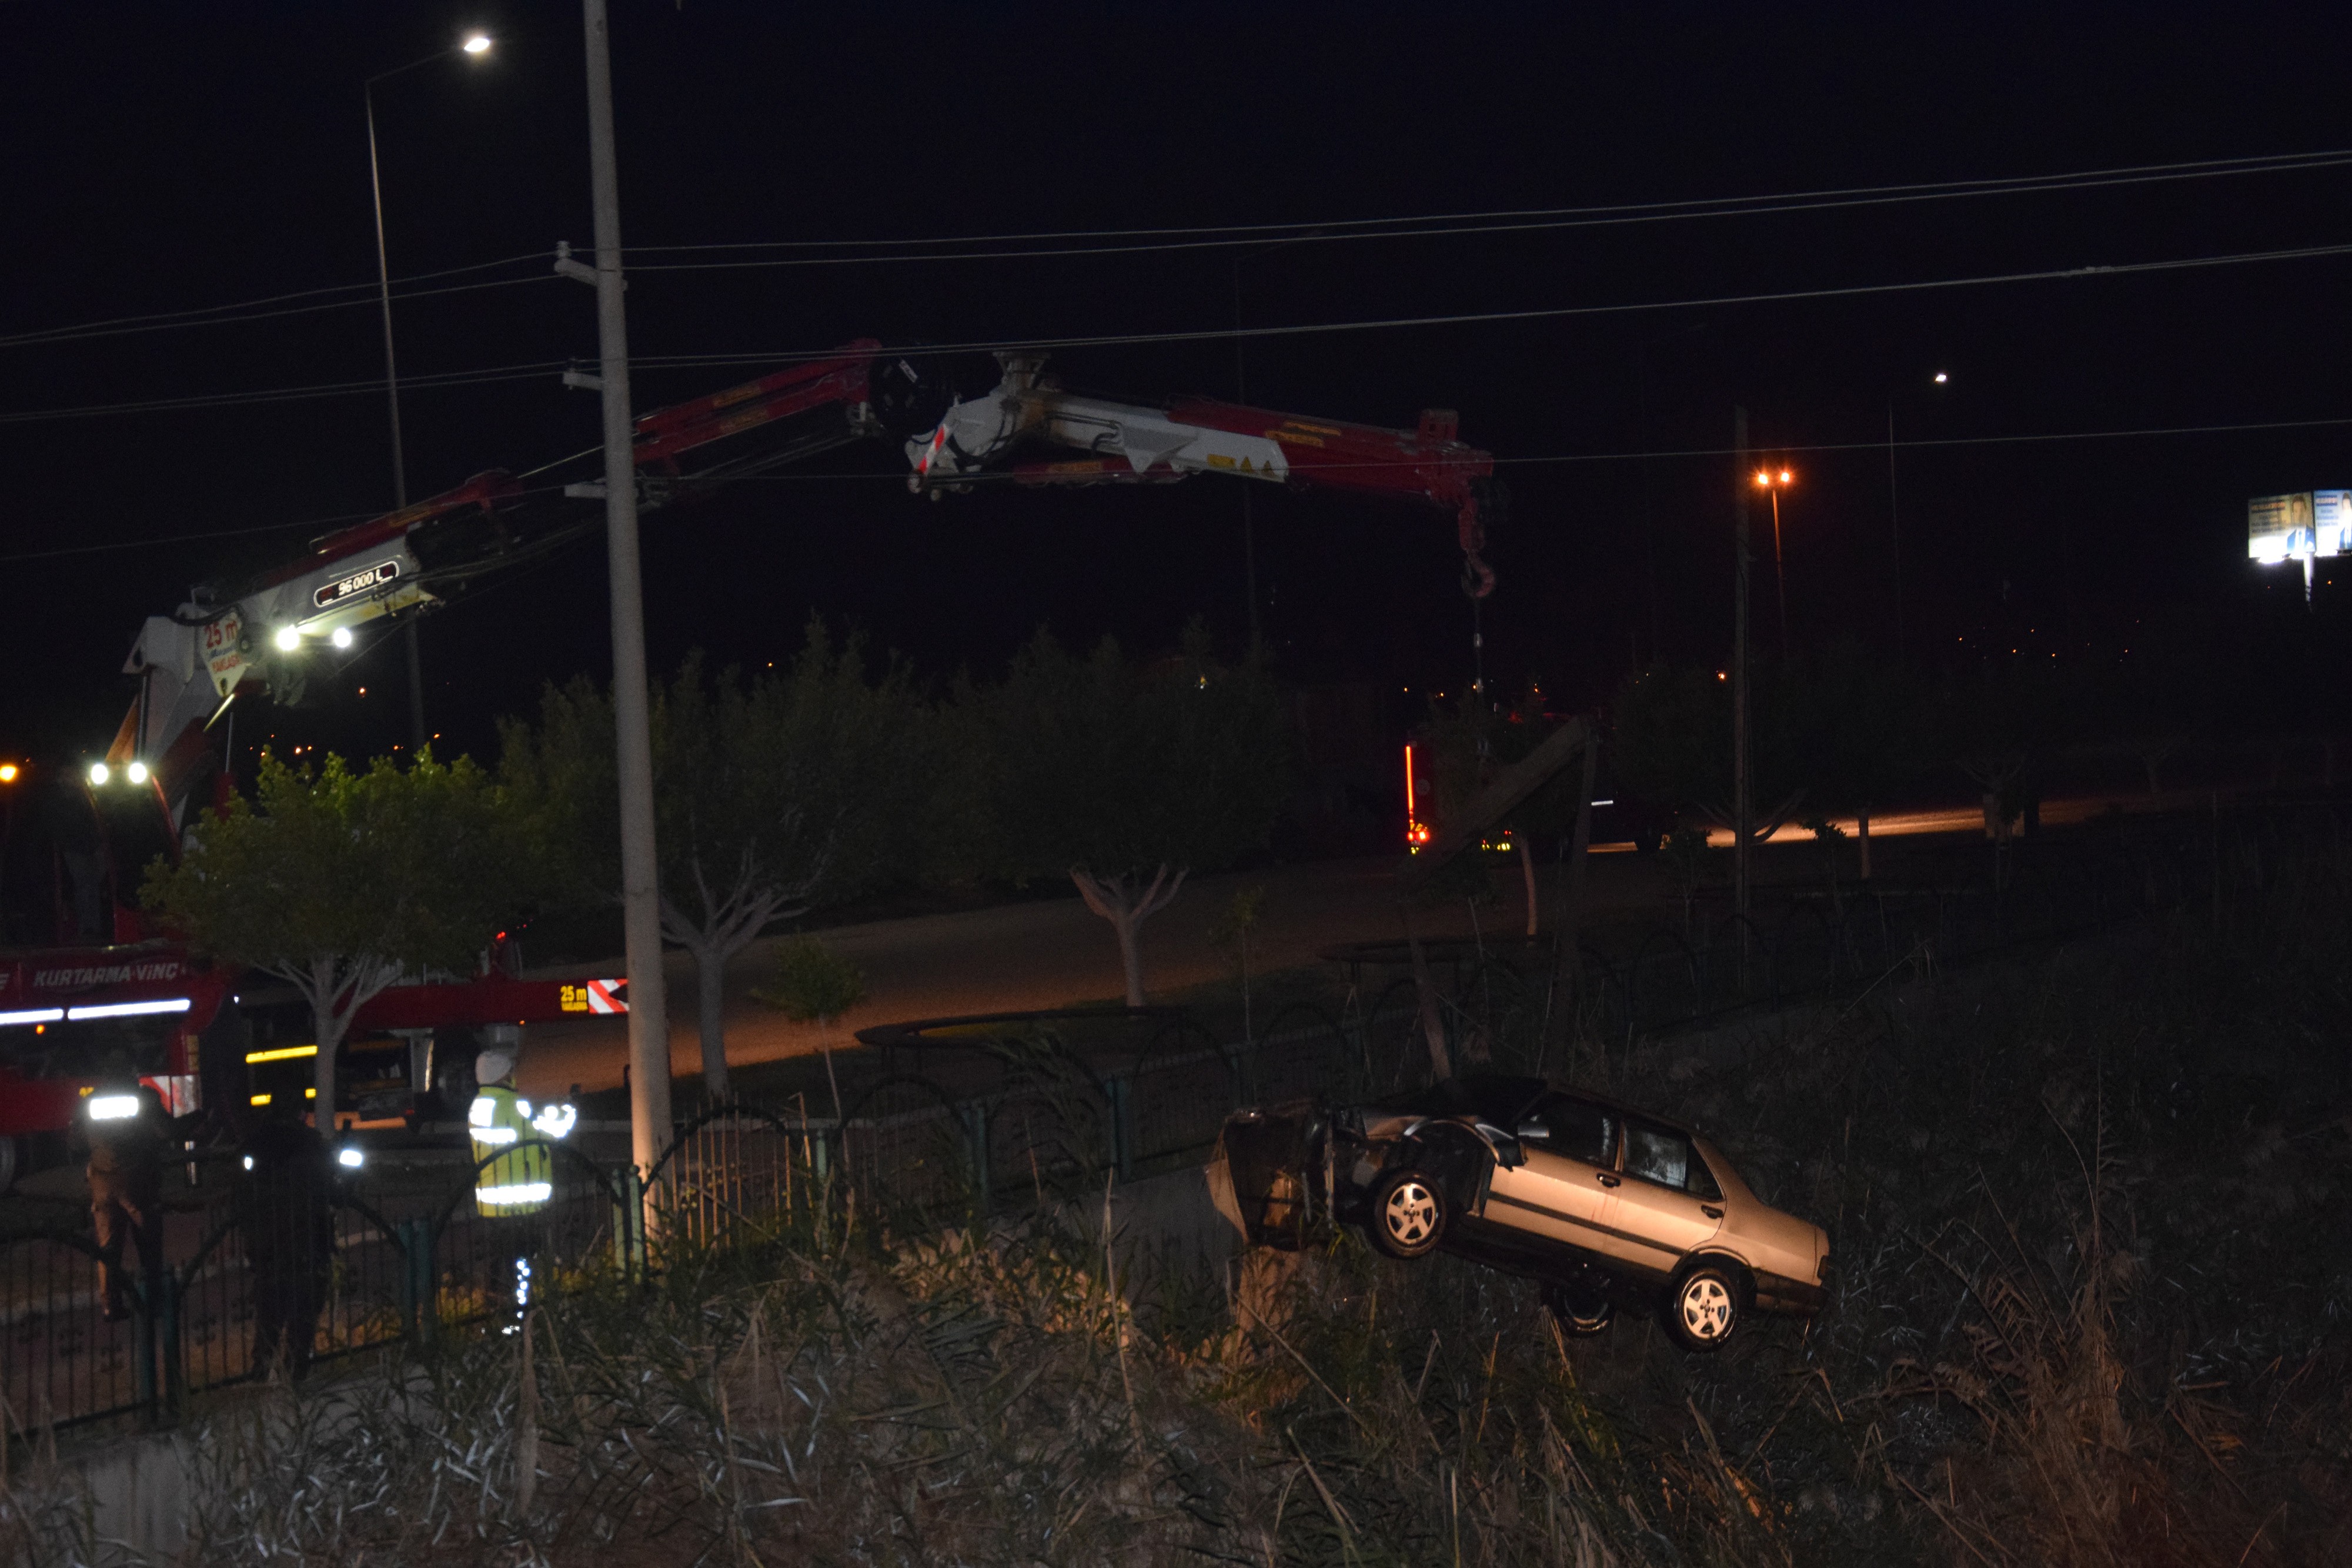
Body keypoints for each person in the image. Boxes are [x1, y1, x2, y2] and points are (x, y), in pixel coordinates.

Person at [466, 1038, 576, 1322]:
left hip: (494, 1203)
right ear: (502, 1075)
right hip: (520, 1203)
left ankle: (497, 1318)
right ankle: (520, 1320)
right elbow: (546, 1132)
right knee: (522, 1263)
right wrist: (567, 1111)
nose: (513, 1075)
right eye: (509, 1071)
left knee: (500, 1263)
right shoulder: (513, 1105)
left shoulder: (480, 1105)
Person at [240, 1103, 335, 1382]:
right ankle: (297, 1366)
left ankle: (262, 1365)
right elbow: (331, 1188)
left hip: (266, 1240)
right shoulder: (309, 1143)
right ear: (301, 1114)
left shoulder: (256, 1143)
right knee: (304, 1304)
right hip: (306, 1239)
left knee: (269, 1304)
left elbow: (241, 1190)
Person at [84, 1074, 174, 1323]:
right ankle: (153, 1301)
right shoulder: (143, 1097)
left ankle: (111, 1306)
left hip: (102, 1182)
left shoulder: (92, 1101)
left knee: (108, 1247)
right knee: (148, 1242)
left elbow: (74, 1141)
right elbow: (165, 1131)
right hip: (138, 1182)